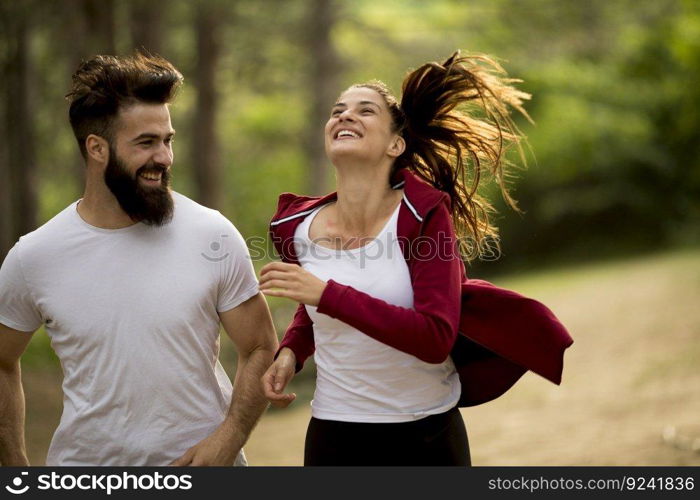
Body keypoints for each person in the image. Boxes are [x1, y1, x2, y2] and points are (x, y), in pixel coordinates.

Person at [258, 51, 550, 466]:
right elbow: (314, 308)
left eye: (365, 110)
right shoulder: (296, 228)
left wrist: (327, 294)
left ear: (396, 143)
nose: (344, 116)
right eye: (337, 110)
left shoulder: (424, 217)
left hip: (424, 433)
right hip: (333, 433)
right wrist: (291, 352)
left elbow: (434, 338)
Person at [0, 53, 278, 466]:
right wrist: (16, 466)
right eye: (146, 143)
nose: (164, 157)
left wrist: (227, 440)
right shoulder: (35, 255)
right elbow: (3, 361)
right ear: (97, 148)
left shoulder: (212, 234)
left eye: (168, 140)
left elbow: (259, 346)